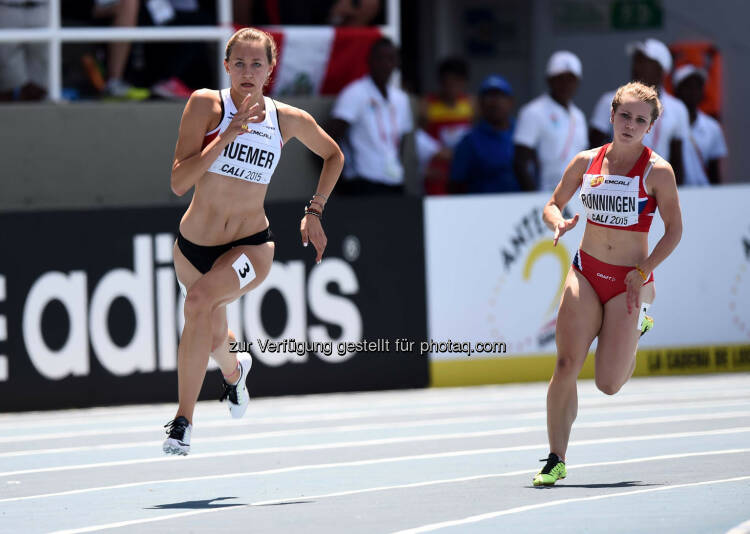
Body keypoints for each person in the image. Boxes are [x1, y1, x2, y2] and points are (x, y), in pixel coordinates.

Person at [163, 27, 344, 455]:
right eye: (239, 63)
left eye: (256, 64)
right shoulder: (206, 105)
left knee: (197, 303)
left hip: (252, 245)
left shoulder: (287, 119)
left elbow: (333, 155)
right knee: (210, 333)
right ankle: (235, 371)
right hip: (193, 248)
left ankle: (183, 421)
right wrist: (225, 136)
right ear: (226, 66)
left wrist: (314, 210)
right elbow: (178, 182)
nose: (247, 71)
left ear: (270, 68)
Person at [533, 81, 682, 485]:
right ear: (611, 115)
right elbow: (552, 203)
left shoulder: (658, 172)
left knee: (608, 383)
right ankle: (555, 458)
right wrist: (557, 221)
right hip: (586, 271)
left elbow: (673, 231)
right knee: (565, 364)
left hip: (629, 283)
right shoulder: (586, 162)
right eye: (624, 116)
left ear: (649, 127)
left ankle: (637, 328)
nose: (630, 125)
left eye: (640, 120)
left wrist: (644, 268)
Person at [589, 38, 689, 184]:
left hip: (657, 190)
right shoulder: (609, 101)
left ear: (661, 70)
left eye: (644, 62)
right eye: (636, 61)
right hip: (617, 189)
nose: (636, 66)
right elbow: (593, 153)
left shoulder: (678, 109)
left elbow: (677, 161)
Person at [327, 37, 413, 195]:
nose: (386, 65)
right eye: (380, 59)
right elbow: (328, 140)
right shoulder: (354, 93)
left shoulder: (401, 99)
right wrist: (340, 181)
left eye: (391, 59)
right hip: (362, 182)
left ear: (397, 63)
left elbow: (401, 142)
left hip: (394, 181)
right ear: (370, 61)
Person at [513, 51, 588, 192]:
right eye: (560, 78)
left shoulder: (579, 116)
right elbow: (520, 163)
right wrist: (533, 198)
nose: (565, 85)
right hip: (545, 194)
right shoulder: (532, 112)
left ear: (578, 82)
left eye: (570, 79)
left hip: (577, 197)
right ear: (549, 80)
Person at [449, 74, 529, 194]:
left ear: (511, 102)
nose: (495, 102)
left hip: (524, 207)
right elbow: (456, 184)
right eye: (489, 96)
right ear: (480, 103)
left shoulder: (524, 134)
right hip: (482, 208)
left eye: (500, 96)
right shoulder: (469, 141)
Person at [420, 57, 474, 195]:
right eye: (447, 83)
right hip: (437, 173)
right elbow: (417, 141)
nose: (451, 88)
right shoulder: (427, 106)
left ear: (464, 82)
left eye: (456, 82)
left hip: (463, 170)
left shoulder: (471, 105)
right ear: (441, 82)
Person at [672, 64, 728, 185]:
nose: (693, 92)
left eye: (697, 86)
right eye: (688, 86)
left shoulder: (713, 127)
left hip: (704, 195)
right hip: (675, 194)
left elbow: (714, 171)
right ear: (677, 91)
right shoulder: (667, 124)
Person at [0, 0, 48, 102]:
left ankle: (31, 115)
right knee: (6, 79)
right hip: (8, 8)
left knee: (39, 80)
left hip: (40, 7)